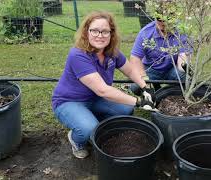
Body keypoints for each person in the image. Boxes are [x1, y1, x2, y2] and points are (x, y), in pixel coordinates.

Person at [52, 11, 155, 159]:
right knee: (88, 129)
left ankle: (90, 120)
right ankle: (76, 140)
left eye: (105, 31)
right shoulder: (78, 55)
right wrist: (139, 101)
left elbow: (130, 70)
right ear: (86, 32)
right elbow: (103, 90)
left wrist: (145, 87)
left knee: (125, 110)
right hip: (69, 101)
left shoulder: (112, 52)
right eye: (94, 30)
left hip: (95, 98)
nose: (99, 35)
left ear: (111, 34)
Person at [130, 8, 191, 94]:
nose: (163, 23)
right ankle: (156, 88)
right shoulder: (145, 32)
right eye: (159, 19)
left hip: (172, 68)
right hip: (151, 68)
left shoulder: (181, 31)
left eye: (167, 19)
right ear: (155, 17)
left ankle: (174, 93)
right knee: (135, 87)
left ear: (174, 18)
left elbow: (183, 56)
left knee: (186, 80)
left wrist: (182, 73)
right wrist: (145, 79)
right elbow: (135, 58)